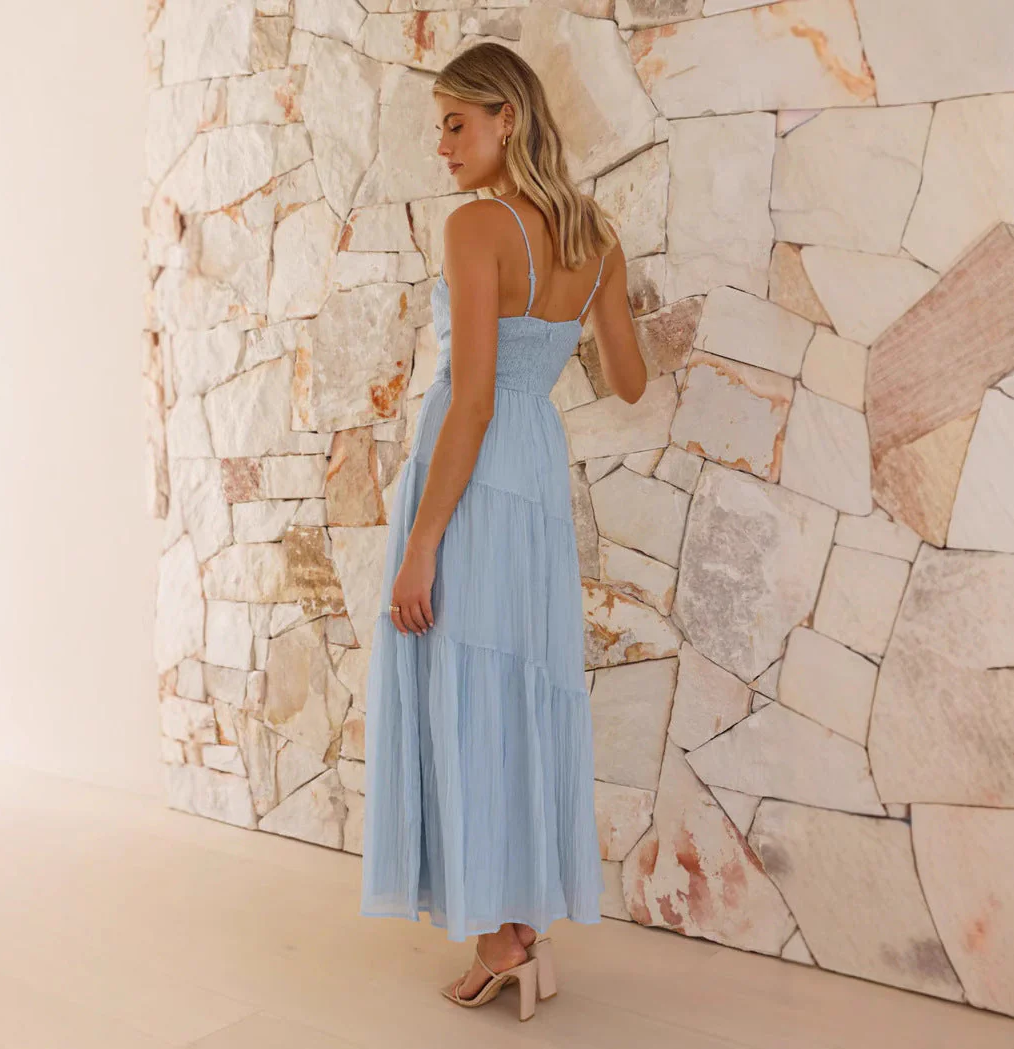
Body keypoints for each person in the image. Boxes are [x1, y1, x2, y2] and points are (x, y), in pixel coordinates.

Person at [359, 41, 646, 1021]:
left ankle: (499, 938)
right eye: (439, 127)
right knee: (517, 688)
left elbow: (472, 399)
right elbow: (628, 380)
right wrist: (587, 304)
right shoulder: (595, 234)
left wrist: (421, 545)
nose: (441, 145)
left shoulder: (477, 224)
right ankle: (519, 925)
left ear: (506, 118)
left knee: (467, 688)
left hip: (473, 476)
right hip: (534, 468)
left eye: (455, 123)